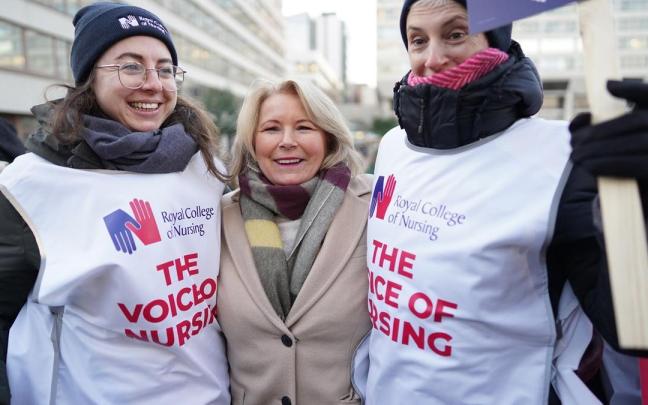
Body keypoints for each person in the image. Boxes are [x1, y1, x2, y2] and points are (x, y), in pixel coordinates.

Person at [364, 0, 648, 404]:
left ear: (494, 39)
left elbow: (632, 325)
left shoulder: (561, 158)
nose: (433, 58)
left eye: (455, 34)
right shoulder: (393, 146)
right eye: (417, 40)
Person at [0, 3, 230, 404]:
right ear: (89, 79)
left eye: (164, 68)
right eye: (131, 66)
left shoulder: (205, 167)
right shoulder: (30, 185)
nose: (153, 83)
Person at [216, 78, 371, 405]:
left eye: (304, 128)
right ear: (252, 142)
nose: (287, 142)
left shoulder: (373, 208)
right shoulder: (217, 219)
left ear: (328, 138)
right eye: (271, 129)